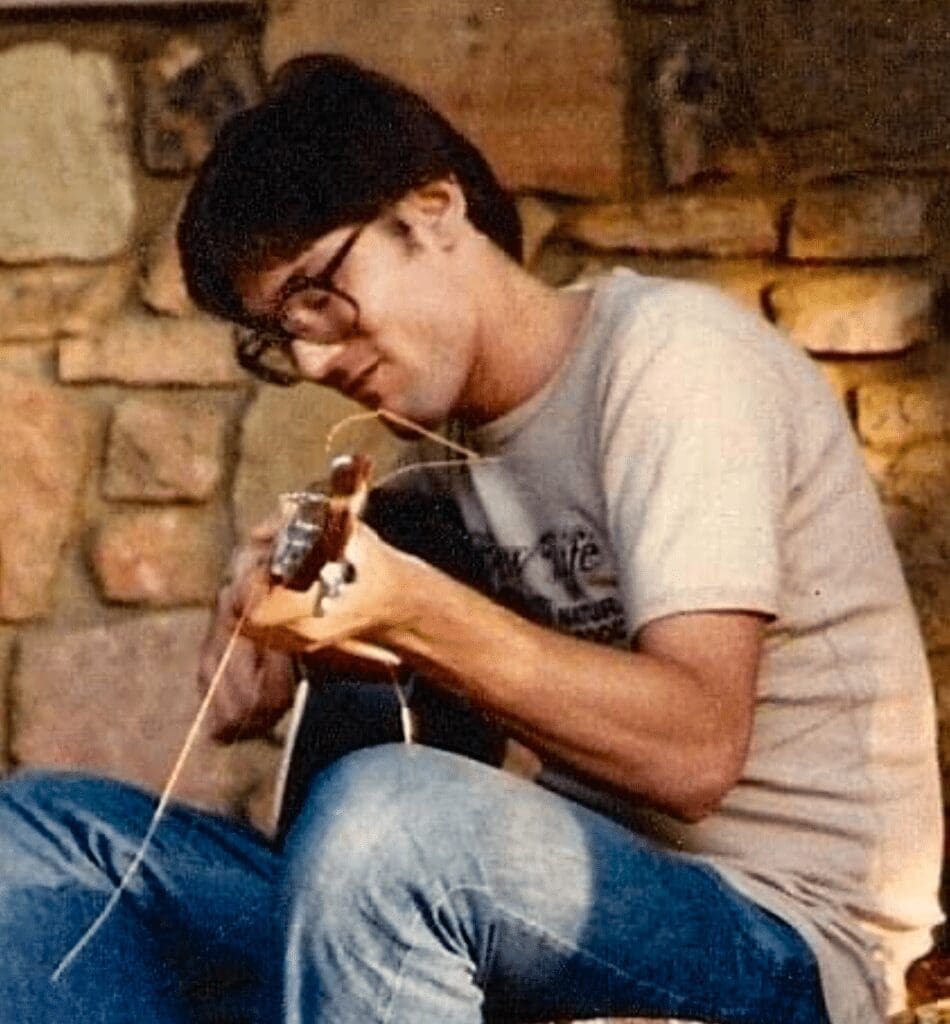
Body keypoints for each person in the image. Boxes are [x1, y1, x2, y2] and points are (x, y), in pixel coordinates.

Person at [0, 53, 942, 1024]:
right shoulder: (444, 448)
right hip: (546, 911)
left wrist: (409, 607)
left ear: (435, 209)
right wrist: (278, 613)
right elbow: (389, 655)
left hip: (778, 936)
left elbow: (694, 749)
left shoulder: (672, 365)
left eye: (318, 292)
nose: (314, 356)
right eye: (278, 332)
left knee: (391, 823)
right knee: (37, 833)